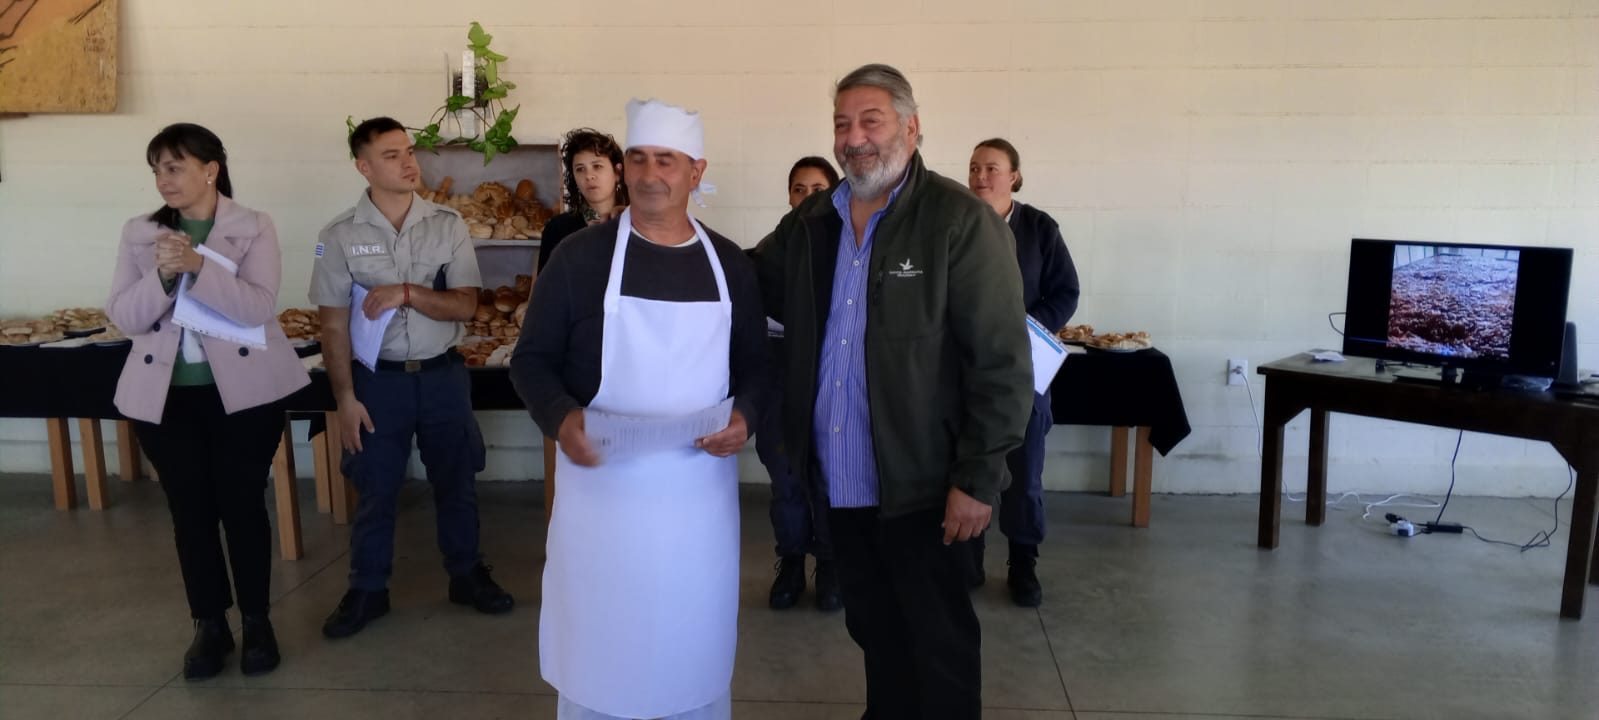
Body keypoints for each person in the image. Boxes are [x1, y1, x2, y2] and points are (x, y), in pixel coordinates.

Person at [753, 64, 1033, 718]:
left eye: (870, 121)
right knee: (874, 630)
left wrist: (978, 476)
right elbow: (745, 286)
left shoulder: (957, 221)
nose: (854, 138)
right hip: (841, 479)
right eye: (842, 124)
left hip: (926, 485)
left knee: (938, 643)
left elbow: (1000, 361)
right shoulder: (810, 224)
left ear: (910, 126)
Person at [510, 98, 765, 720]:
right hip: (603, 500)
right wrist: (561, 418)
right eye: (640, 159)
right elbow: (531, 360)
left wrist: (748, 416)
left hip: (696, 502)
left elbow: (760, 367)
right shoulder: (580, 259)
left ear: (695, 172)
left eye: (668, 161)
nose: (652, 174)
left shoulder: (731, 264)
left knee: (689, 644)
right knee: (603, 649)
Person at [107, 122, 310, 679]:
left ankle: (257, 621)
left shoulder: (253, 226)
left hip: (243, 398)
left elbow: (257, 307)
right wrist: (166, 278)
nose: (163, 179)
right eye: (156, 169)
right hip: (167, 400)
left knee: (241, 506)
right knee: (189, 512)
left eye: (173, 166)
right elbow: (124, 316)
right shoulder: (139, 232)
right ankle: (209, 625)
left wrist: (198, 267)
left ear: (209, 169)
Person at [310, 116, 513, 641]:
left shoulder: (447, 224)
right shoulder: (338, 235)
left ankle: (466, 575)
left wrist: (408, 292)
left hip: (443, 376)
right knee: (375, 487)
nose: (408, 163)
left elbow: (467, 304)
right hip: (378, 383)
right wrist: (345, 399)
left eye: (409, 152)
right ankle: (367, 589)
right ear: (363, 166)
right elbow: (332, 324)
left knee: (457, 480)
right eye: (392, 154)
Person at [966, 137, 1081, 607]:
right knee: (968, 465)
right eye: (974, 167)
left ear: (1014, 175)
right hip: (965, 370)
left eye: (991, 168)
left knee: (1024, 469)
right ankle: (966, 557)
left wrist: (1028, 330)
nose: (980, 177)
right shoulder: (958, 223)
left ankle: (1023, 561)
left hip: (1023, 370)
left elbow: (1065, 291)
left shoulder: (1038, 229)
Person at [763, 155, 843, 611]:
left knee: (829, 480)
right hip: (780, 385)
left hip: (832, 386)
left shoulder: (851, 250)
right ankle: (791, 561)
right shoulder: (772, 247)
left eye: (818, 189)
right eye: (799, 188)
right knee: (787, 482)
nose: (807, 197)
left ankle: (830, 564)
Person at [536, 128, 629, 274]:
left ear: (617, 172)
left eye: (597, 166)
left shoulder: (635, 223)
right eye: (580, 169)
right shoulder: (557, 229)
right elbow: (545, 289)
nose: (589, 176)